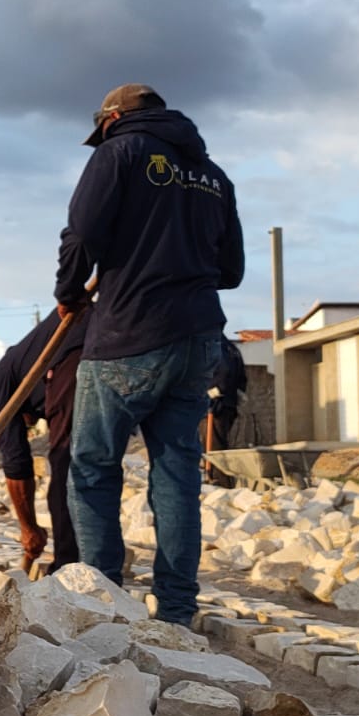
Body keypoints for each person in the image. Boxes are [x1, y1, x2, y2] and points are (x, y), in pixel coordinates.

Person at [55, 83, 244, 627]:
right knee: (177, 471)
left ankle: (102, 603)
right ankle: (177, 613)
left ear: (112, 118)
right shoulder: (215, 176)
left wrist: (70, 290)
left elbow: (82, 230)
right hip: (199, 339)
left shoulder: (120, 152)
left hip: (129, 334)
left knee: (91, 466)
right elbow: (231, 272)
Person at [0, 308, 91, 577]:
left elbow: (16, 461)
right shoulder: (25, 362)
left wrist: (28, 528)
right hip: (122, 338)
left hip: (78, 355)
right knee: (97, 464)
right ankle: (100, 566)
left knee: (66, 463)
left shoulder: (1, 382)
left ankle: (69, 571)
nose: (31, 424)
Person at [206, 336, 248, 485]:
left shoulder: (215, 344)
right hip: (228, 404)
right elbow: (242, 375)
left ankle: (220, 481)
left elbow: (224, 370)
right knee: (219, 443)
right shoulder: (232, 348)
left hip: (215, 405)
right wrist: (239, 392)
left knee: (214, 446)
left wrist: (215, 389)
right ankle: (220, 479)